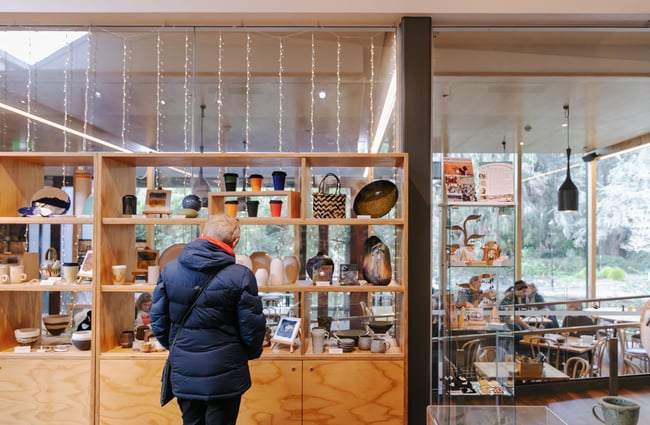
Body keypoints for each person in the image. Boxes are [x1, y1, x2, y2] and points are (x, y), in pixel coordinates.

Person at [150, 214, 266, 425]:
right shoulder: (241, 275)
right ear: (235, 242)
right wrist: (248, 354)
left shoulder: (170, 270)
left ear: (202, 235)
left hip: (184, 368)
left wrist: (179, 348)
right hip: (226, 372)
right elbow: (253, 329)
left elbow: (157, 321)